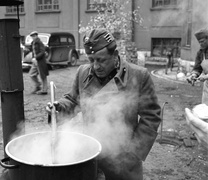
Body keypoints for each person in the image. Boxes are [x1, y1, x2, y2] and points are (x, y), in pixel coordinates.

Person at [46, 29, 161, 180]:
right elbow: (73, 100)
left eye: (101, 60)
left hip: (124, 160)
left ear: (115, 55)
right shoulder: (82, 72)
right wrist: (59, 107)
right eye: (91, 60)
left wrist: (133, 153)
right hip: (90, 155)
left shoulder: (139, 76)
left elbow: (151, 117)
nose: (95, 66)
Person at [187, 28, 208, 103]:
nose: (201, 44)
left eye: (202, 41)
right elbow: (197, 68)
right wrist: (193, 75)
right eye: (199, 42)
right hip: (207, 86)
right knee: (205, 109)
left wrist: (206, 76)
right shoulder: (200, 53)